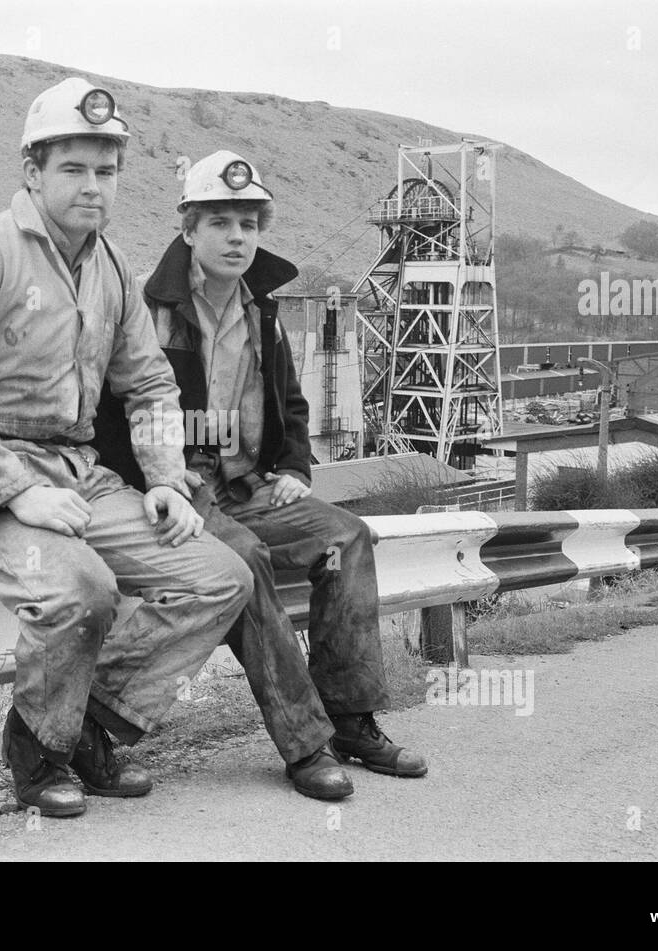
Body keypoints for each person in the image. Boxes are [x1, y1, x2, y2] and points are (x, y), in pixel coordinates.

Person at [0, 82, 253, 819]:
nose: (94, 186)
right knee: (83, 589)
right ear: (33, 170)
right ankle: (38, 753)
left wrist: (164, 479)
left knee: (219, 577)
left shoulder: (112, 269)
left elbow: (152, 383)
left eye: (106, 171)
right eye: (74, 169)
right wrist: (15, 490)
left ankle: (89, 726)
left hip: (79, 475)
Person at [93, 150, 427, 799]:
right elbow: (114, 412)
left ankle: (351, 719)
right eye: (221, 222)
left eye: (249, 222)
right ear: (188, 228)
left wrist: (295, 467)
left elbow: (293, 406)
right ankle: (305, 745)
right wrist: (151, 482)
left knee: (347, 537)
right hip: (182, 491)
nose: (238, 236)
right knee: (244, 561)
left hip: (249, 487)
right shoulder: (145, 304)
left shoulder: (262, 311)